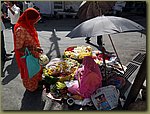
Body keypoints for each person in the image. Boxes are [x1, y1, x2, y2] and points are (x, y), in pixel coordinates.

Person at [14, 8, 43, 92]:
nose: (35, 22)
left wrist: (36, 49)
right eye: (34, 20)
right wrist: (34, 48)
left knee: (36, 69)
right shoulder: (20, 29)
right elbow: (19, 48)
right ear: (29, 19)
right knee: (30, 72)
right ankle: (31, 88)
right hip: (27, 57)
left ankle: (37, 84)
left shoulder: (28, 25)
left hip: (34, 53)